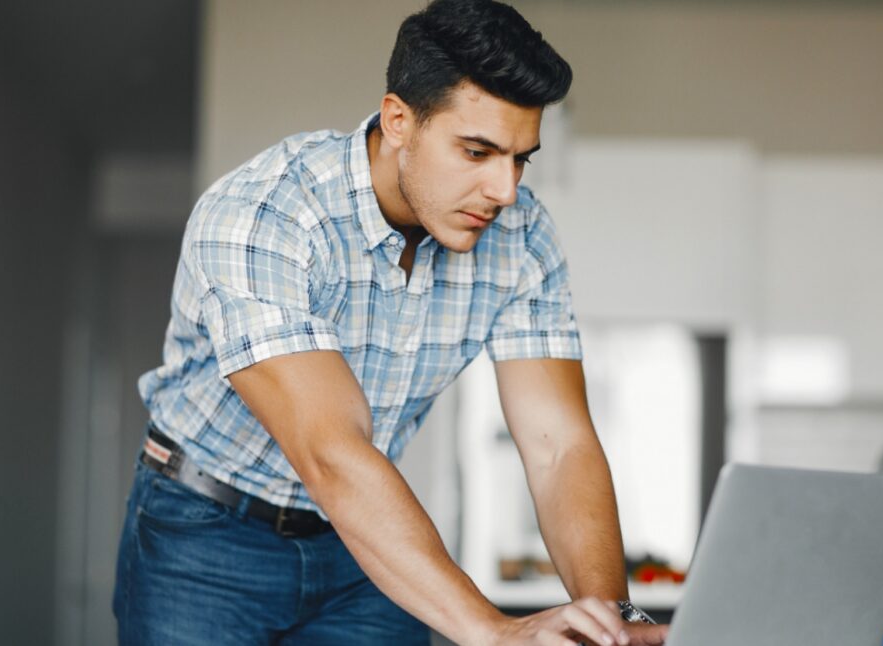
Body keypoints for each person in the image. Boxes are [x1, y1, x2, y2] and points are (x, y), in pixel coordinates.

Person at [113, 1, 669, 644]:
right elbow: (332, 452)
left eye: (520, 158)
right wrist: (494, 632)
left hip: (365, 546)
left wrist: (610, 621)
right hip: (204, 533)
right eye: (477, 150)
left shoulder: (524, 237)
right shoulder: (265, 214)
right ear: (398, 120)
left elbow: (559, 445)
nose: (506, 190)